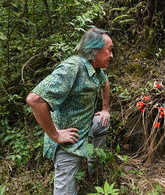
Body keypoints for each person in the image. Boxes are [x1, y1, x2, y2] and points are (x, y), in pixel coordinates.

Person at [26, 27, 113, 195]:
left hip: (85, 128)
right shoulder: (72, 68)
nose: (111, 55)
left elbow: (105, 83)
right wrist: (55, 135)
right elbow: (35, 100)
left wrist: (105, 109)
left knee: (102, 124)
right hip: (68, 142)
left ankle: (92, 167)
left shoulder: (96, 69)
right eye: (109, 50)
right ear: (94, 50)